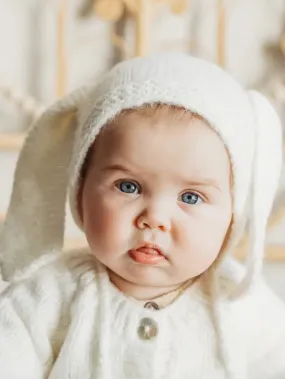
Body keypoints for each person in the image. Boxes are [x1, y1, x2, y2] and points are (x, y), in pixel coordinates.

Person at [0, 53, 284, 379]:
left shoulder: (241, 303)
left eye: (190, 197)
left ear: (232, 216)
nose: (154, 219)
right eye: (129, 186)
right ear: (80, 188)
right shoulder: (45, 298)